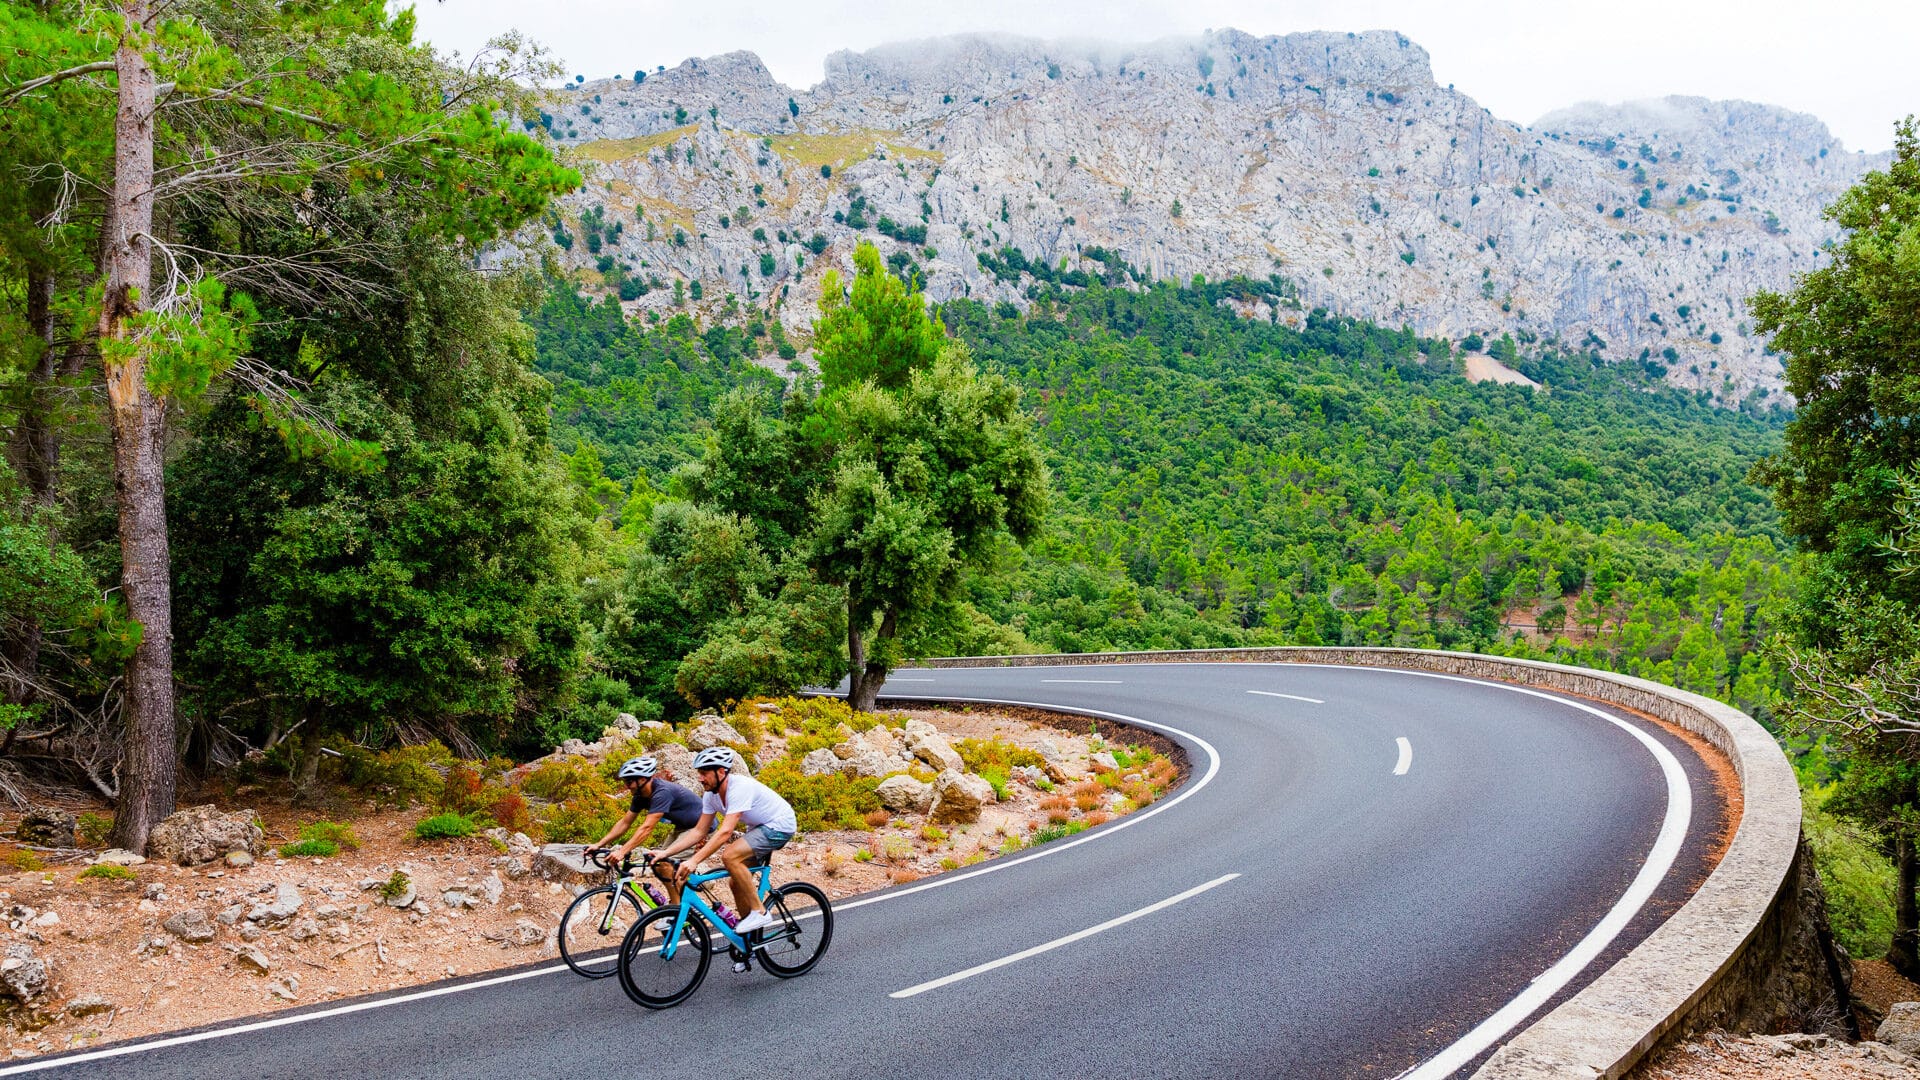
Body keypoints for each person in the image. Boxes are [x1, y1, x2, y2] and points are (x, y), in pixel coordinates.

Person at [650, 746, 796, 935]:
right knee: (736, 883)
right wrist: (666, 853)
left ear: (721, 772)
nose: (700, 778)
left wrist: (694, 860)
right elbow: (699, 831)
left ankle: (759, 912)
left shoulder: (739, 787)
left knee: (730, 856)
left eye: (704, 773)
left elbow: (725, 832)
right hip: (759, 828)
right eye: (699, 773)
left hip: (780, 825)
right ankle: (750, 941)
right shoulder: (711, 796)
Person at [584, 756, 704, 877]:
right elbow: (625, 823)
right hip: (682, 827)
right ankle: (676, 896)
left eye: (629, 782)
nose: (626, 786)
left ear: (642, 779)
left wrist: (622, 852)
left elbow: (647, 828)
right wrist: (598, 844)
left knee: (664, 863)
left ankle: (680, 896)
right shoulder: (639, 796)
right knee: (659, 864)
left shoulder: (662, 793)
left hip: (701, 828)